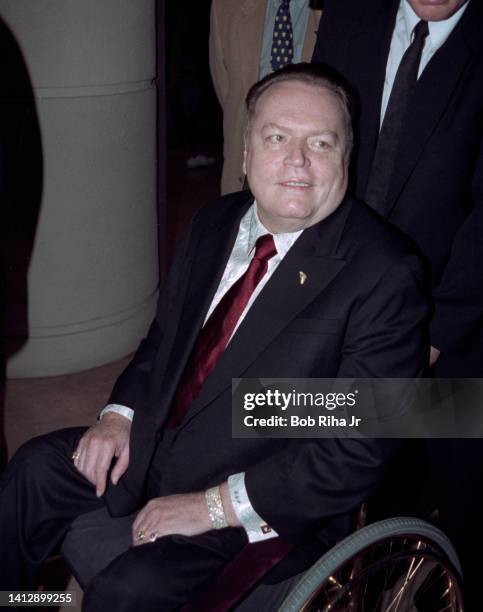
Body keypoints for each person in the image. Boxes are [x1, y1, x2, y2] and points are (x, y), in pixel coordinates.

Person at [0, 63, 428, 611]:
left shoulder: (385, 272)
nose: (297, 160)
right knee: (33, 471)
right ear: (246, 154)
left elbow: (356, 448)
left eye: (320, 142)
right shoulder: (214, 222)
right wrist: (120, 416)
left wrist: (212, 507)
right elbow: (163, 342)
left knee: (128, 593)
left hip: (262, 499)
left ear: (347, 157)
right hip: (157, 446)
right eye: (277, 138)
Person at [312, 1, 483, 607]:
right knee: (271, 415)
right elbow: (317, 147)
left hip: (452, 324)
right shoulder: (349, 17)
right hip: (339, 291)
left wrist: (428, 337)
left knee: (440, 503)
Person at [209, 0, 322, 195]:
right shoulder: (227, 6)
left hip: (312, 178)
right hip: (244, 178)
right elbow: (229, 95)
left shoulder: (342, 10)